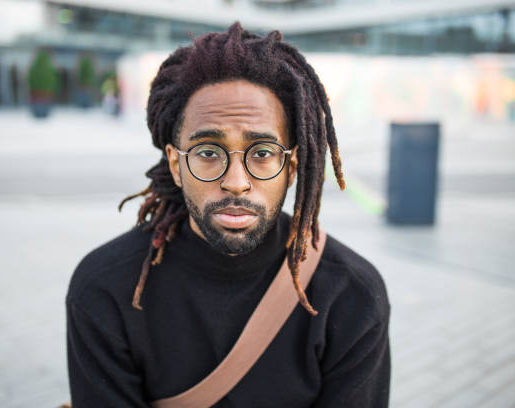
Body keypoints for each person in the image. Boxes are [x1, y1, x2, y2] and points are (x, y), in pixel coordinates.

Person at [66, 22, 390, 407]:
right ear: (175, 163)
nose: (236, 182)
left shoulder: (351, 297)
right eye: (207, 153)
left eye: (263, 153)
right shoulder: (105, 291)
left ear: (293, 166)